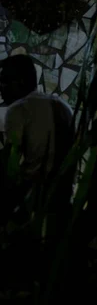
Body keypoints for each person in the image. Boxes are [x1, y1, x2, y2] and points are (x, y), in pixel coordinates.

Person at [0, 54, 74, 212]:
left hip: (33, 200)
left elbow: (10, 166)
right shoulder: (64, 106)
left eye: (4, 82)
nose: (1, 88)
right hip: (62, 198)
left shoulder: (19, 109)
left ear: (20, 82)